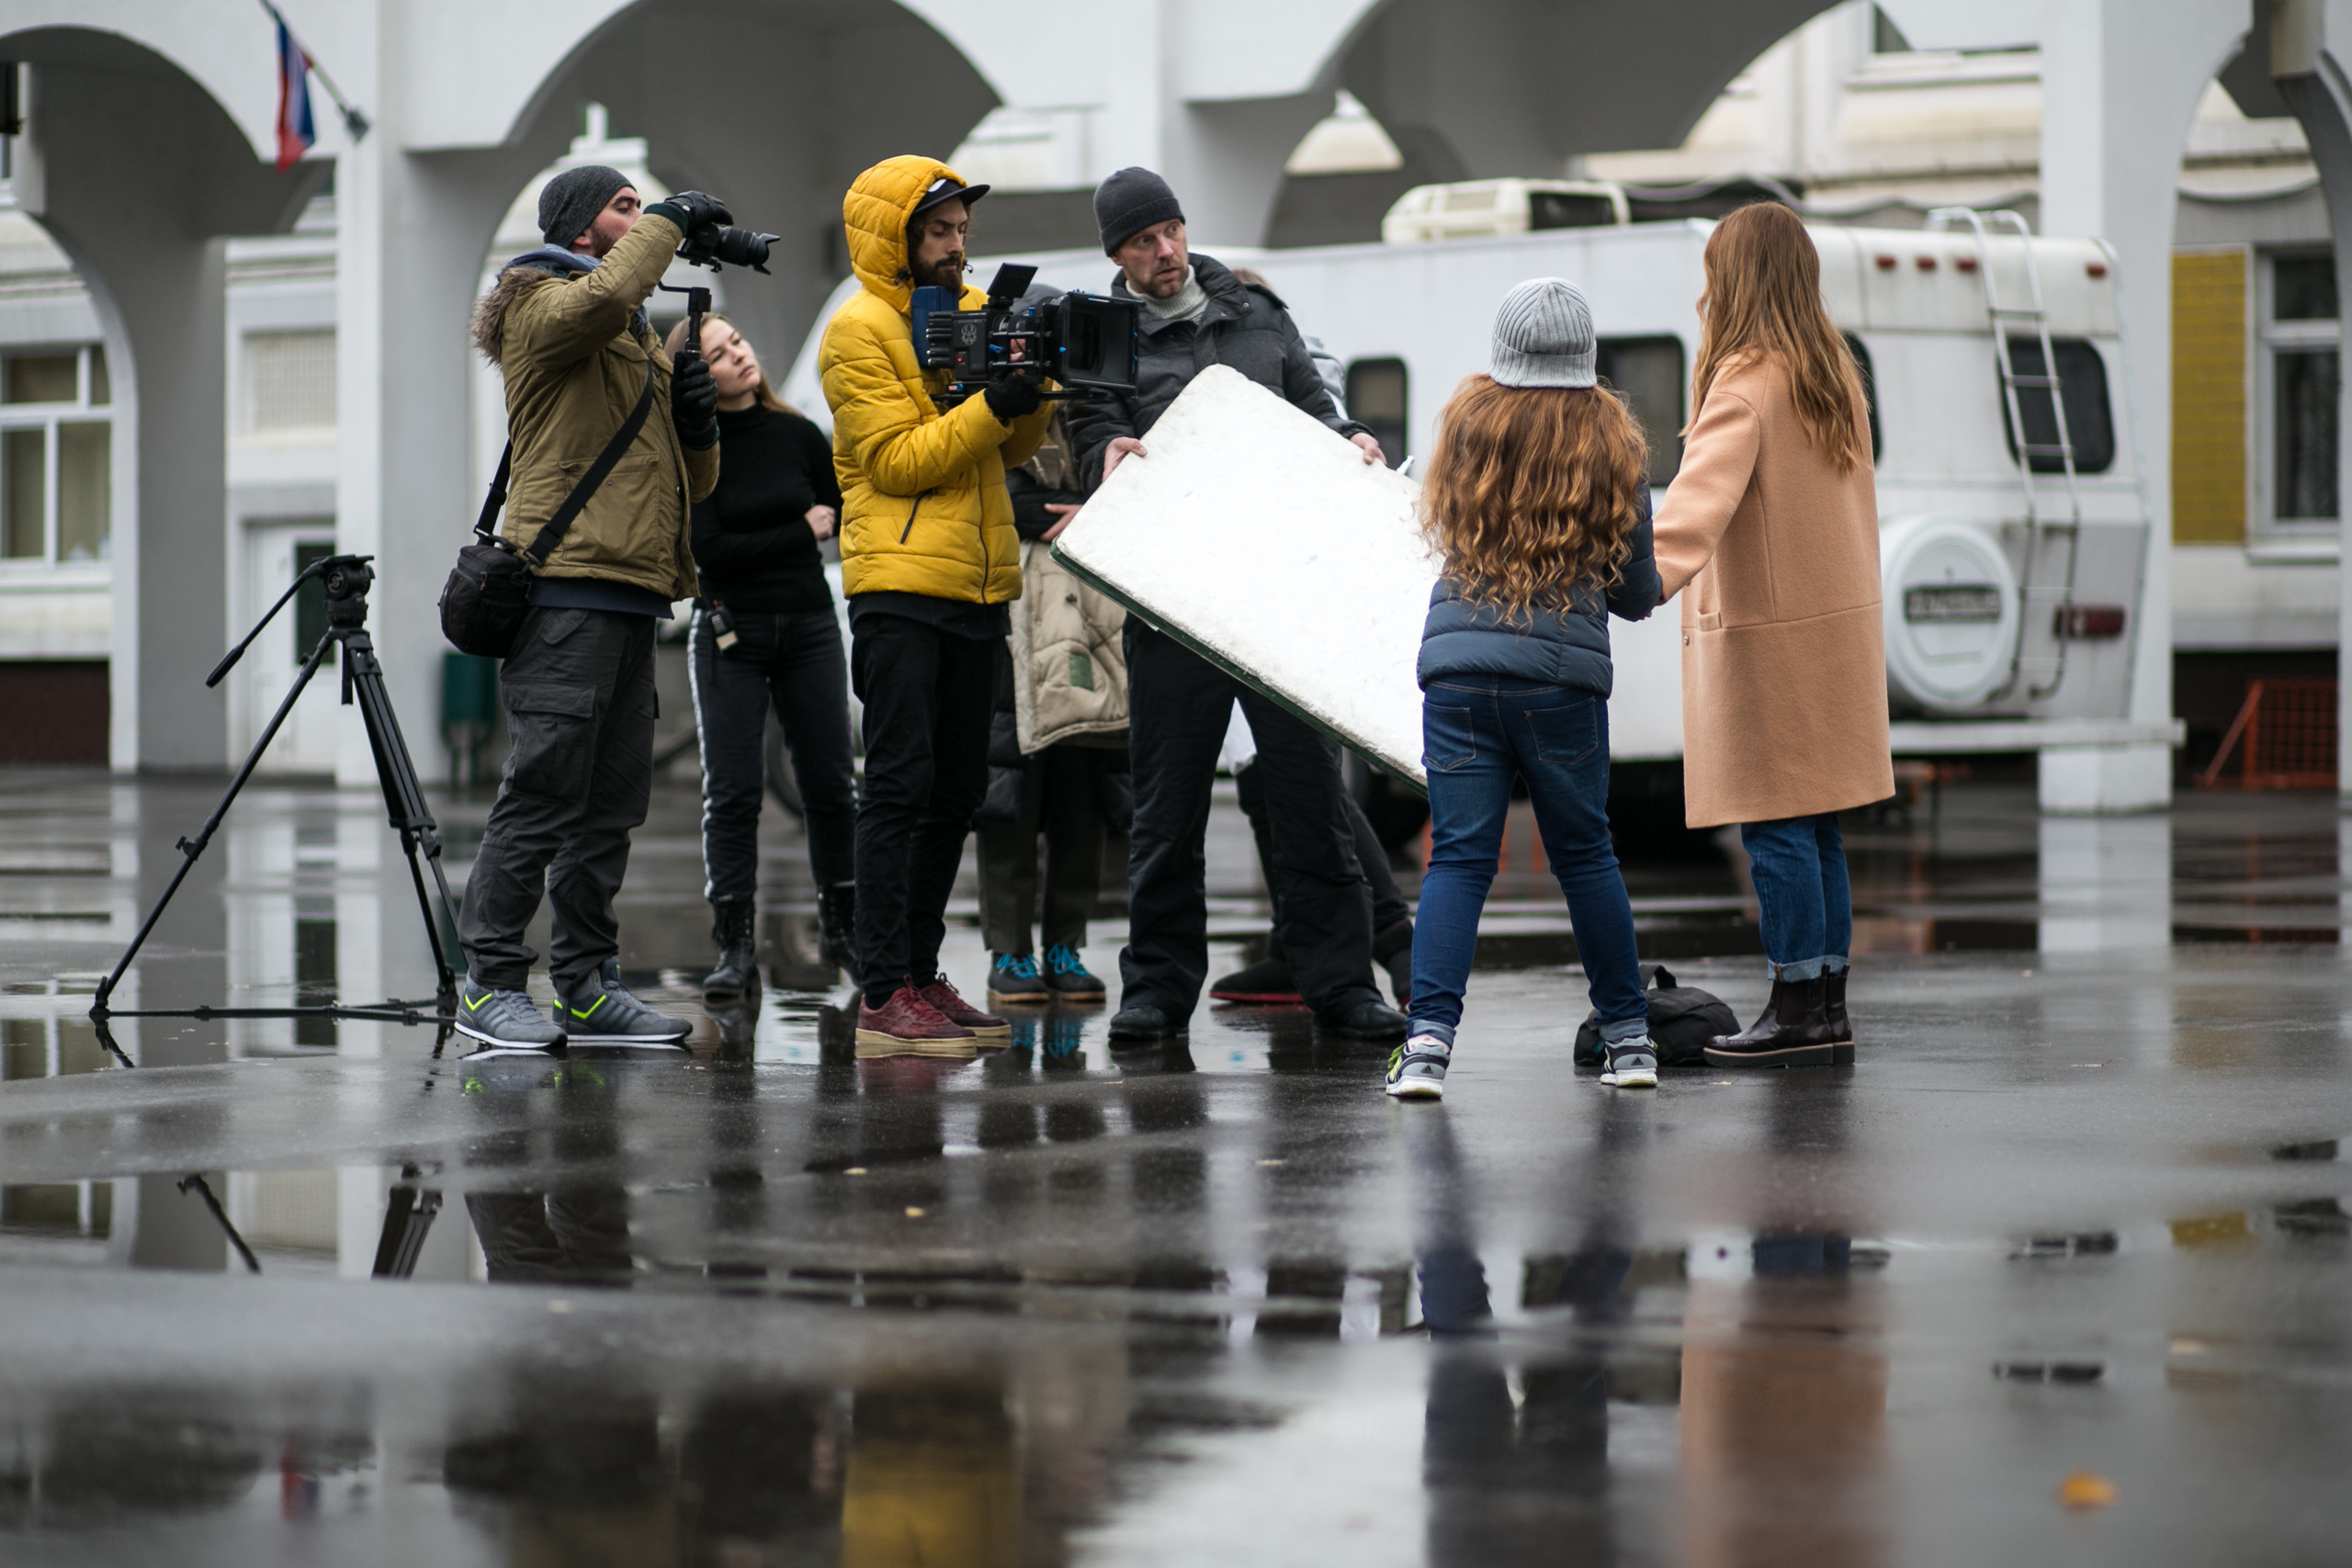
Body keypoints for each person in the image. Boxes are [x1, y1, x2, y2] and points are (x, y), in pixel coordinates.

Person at [1066, 166, 1407, 1044]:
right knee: (1167, 810)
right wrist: (1105, 452)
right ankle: (1157, 989)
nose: (1165, 251)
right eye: (1144, 242)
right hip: (1174, 602)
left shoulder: (1255, 312)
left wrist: (1350, 441)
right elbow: (1088, 435)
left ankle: (1342, 984)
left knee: (1308, 799)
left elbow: (1313, 411)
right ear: (1118, 254)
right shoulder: (1101, 335)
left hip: (1278, 596)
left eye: (1171, 230)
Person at [453, 165, 724, 1054]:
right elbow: (606, 296)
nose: (640, 221)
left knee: (610, 806)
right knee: (541, 794)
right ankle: (490, 981)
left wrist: (697, 422)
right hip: (564, 587)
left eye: (644, 211)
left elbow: (696, 488)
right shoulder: (535, 304)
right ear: (579, 229)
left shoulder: (630, 335)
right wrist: (676, 219)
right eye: (625, 209)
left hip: (633, 594)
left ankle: (585, 985)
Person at [1386, 278, 1662, 1100]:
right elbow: (1636, 592)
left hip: (1461, 674)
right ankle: (1632, 1042)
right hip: (1561, 686)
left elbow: (1439, 530)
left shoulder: (1469, 427)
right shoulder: (1616, 445)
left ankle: (1427, 1048)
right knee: (1585, 856)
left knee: (1460, 859)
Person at [819, 156, 1057, 1055]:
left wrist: (1029, 389)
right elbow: (899, 462)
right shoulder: (856, 332)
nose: (959, 248)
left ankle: (920, 972)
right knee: (898, 790)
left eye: (962, 231)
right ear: (898, 240)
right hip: (899, 589)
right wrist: (996, 404)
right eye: (940, 232)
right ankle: (883, 992)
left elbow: (1012, 444)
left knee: (957, 791)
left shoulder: (966, 315)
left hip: (977, 586)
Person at [1649, 201, 1894, 1067]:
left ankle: (1794, 1008)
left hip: (1767, 641)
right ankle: (1824, 1003)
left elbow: (1691, 511)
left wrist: (1628, 581)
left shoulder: (1745, 383)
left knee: (1776, 830)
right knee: (1816, 828)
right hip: (1833, 640)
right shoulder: (1834, 375)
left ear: (1737, 280)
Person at [662, 311, 859, 1000]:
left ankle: (843, 928)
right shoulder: (697, 453)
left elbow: (842, 512)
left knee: (832, 786)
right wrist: (798, 531)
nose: (738, 356)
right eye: (717, 354)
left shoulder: (799, 434)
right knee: (734, 793)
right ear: (696, 378)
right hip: (730, 631)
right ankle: (735, 947)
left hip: (808, 623)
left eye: (738, 342)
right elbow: (710, 553)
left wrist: (808, 533)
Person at [978, 401, 1127, 1005]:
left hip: (1088, 631)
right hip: (1013, 630)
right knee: (1008, 803)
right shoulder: (996, 407)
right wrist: (1078, 510)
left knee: (1080, 805)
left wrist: (1082, 509)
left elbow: (1122, 487)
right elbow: (1005, 502)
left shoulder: (1093, 408)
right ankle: (1008, 950)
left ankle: (1066, 944)